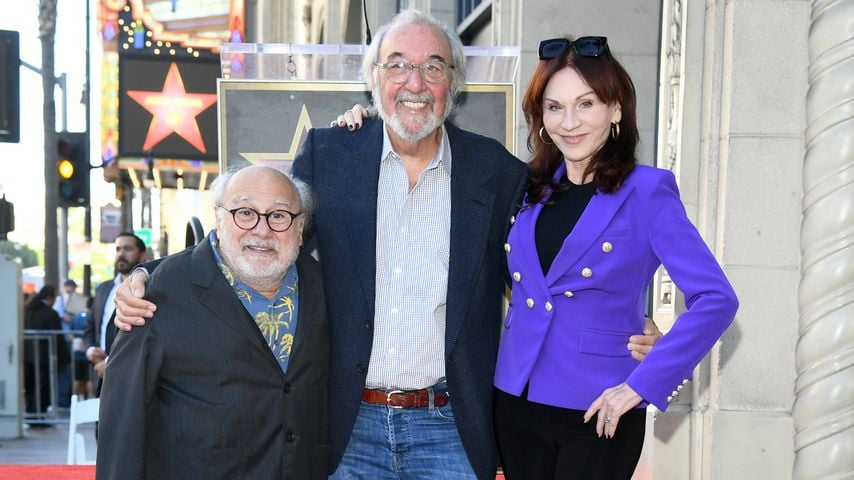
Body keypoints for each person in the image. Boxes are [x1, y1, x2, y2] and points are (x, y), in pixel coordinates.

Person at [113, 11, 660, 478]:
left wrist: (631, 320)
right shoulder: (330, 154)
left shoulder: (496, 172)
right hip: (347, 428)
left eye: (432, 67)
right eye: (397, 64)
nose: (414, 81)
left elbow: (549, 267)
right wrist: (148, 276)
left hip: (451, 429)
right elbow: (262, 241)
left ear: (454, 82)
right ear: (375, 78)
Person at [490, 36, 739, 479]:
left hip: (600, 410)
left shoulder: (648, 191)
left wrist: (643, 385)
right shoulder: (526, 187)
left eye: (586, 104)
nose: (569, 122)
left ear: (616, 108)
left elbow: (717, 299)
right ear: (540, 116)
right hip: (515, 401)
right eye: (554, 106)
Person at [96, 165, 330, 479]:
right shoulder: (156, 294)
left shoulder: (325, 287)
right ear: (219, 218)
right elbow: (123, 422)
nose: (262, 230)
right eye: (245, 212)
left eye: (279, 215)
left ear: (300, 228)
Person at [84, 232, 147, 394]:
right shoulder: (102, 289)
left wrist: (110, 362)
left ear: (142, 255)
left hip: (132, 376)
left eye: (127, 249)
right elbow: (91, 325)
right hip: (100, 372)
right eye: (118, 249)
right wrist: (91, 349)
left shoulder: (147, 289)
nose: (121, 254)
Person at [23, 285, 71, 425]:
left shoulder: (27, 310)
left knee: (30, 384)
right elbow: (59, 338)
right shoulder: (51, 314)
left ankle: (31, 413)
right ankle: (40, 414)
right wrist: (66, 358)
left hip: (28, 354)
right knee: (44, 385)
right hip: (45, 356)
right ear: (50, 297)